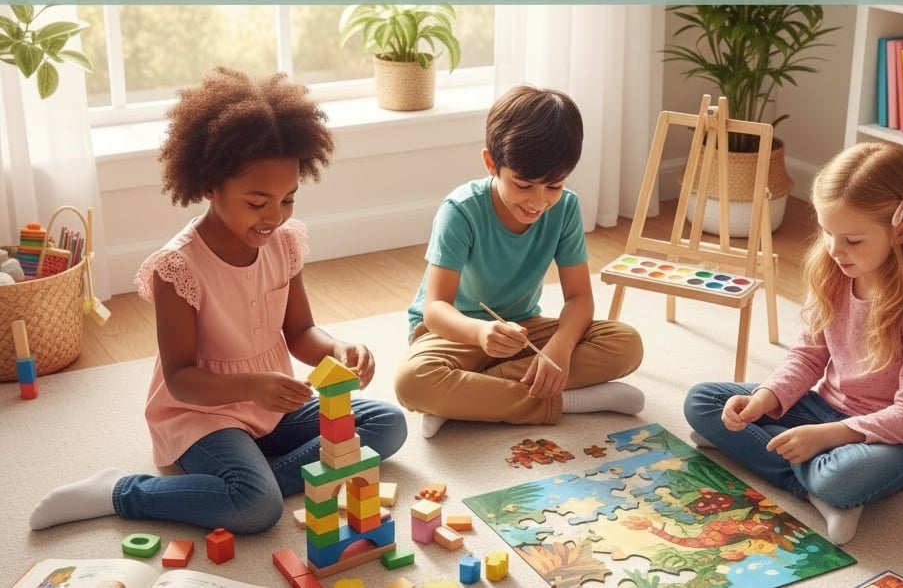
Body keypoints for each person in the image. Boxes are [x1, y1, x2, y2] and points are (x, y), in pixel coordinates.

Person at [29, 67, 407, 534]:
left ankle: (258, 472)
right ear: (210, 186)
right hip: (202, 413)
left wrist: (337, 350)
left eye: (287, 199)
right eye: (257, 202)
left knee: (387, 424)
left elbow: (300, 333)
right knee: (256, 508)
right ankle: (121, 491)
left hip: (271, 406)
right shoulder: (177, 268)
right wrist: (252, 387)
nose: (274, 217)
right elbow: (181, 380)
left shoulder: (286, 243)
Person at [684, 141, 903, 545]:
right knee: (703, 401)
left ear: (902, 232)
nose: (835, 250)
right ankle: (818, 492)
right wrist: (764, 399)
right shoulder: (833, 270)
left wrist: (828, 437)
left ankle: (819, 486)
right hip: (824, 408)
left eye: (852, 240)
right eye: (828, 232)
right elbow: (807, 357)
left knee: (839, 476)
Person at [394, 84, 645, 439]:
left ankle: (464, 402)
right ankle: (569, 402)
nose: (538, 202)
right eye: (524, 185)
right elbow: (435, 308)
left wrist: (560, 347)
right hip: (456, 333)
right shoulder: (460, 211)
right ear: (490, 163)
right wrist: (481, 332)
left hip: (522, 330)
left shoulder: (566, 208)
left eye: (554, 186)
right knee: (413, 382)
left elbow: (579, 298)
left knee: (626, 344)